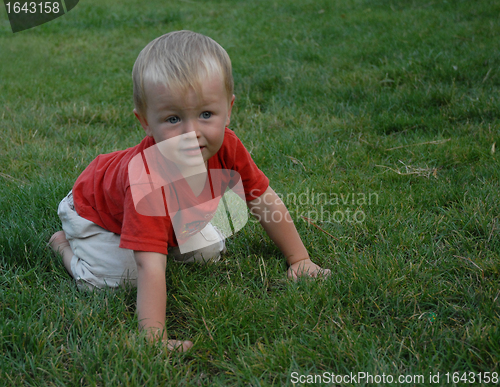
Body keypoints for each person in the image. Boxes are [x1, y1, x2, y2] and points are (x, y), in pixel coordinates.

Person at [49, 30, 330, 352]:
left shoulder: (229, 147)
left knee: (209, 249)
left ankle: (162, 234)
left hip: (167, 213)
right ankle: (64, 247)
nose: (191, 133)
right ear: (145, 122)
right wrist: (153, 337)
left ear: (229, 108)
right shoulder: (147, 178)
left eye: (206, 114)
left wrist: (300, 260)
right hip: (94, 212)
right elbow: (149, 264)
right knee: (119, 278)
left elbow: (263, 199)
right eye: (172, 119)